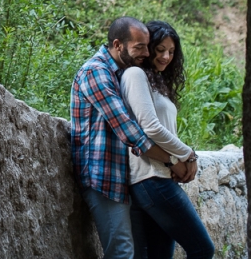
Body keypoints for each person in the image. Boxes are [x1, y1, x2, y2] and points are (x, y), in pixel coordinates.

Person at [71, 16, 194, 259]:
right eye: (140, 47)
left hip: (121, 178)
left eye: (147, 46)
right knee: (122, 253)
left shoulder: (118, 73)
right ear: (118, 45)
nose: (146, 53)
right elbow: (133, 133)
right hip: (102, 176)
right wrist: (174, 160)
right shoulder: (96, 72)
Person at [120, 20, 214, 259]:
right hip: (151, 178)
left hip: (157, 177)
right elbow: (150, 127)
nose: (165, 57)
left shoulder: (155, 81)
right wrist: (187, 154)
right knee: (203, 249)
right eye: (160, 49)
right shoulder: (135, 74)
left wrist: (177, 160)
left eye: (171, 52)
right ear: (147, 47)